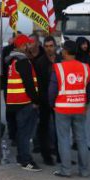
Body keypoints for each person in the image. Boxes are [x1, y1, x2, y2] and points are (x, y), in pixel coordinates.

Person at [49, 41, 90, 177]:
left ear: (65, 51)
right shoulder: (85, 67)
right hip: (79, 108)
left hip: (62, 108)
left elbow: (52, 90)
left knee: (63, 139)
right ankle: (84, 170)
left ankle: (66, 170)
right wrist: (85, 103)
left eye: (62, 50)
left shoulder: (58, 68)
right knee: (81, 139)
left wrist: (52, 104)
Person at [5, 34, 41, 171]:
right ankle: (26, 160)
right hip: (25, 102)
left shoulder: (12, 61)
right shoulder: (23, 62)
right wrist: (36, 101)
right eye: (27, 44)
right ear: (22, 46)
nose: (30, 46)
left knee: (21, 132)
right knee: (26, 133)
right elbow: (29, 84)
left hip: (15, 102)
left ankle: (22, 158)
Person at [33, 35, 59, 165]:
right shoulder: (40, 62)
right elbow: (37, 83)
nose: (49, 49)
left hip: (60, 100)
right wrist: (38, 101)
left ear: (55, 46)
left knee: (60, 128)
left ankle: (61, 155)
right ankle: (46, 156)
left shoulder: (61, 60)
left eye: (51, 46)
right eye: (47, 46)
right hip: (45, 100)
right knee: (44, 128)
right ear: (44, 47)